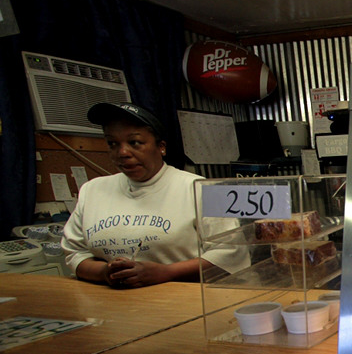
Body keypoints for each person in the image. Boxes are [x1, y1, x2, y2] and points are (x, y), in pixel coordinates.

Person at [62, 102, 248, 288]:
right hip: (112, 305)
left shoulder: (202, 188)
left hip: (184, 300)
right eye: (113, 144)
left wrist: (166, 272)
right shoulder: (92, 190)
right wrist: (105, 273)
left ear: (161, 147)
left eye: (135, 143)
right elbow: (75, 253)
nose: (123, 152)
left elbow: (231, 253)